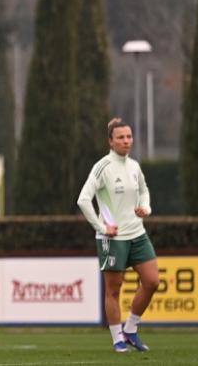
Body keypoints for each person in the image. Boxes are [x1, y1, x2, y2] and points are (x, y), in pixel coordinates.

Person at [78, 117, 160, 354]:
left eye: (129, 136)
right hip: (113, 239)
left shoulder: (134, 166)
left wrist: (146, 208)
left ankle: (131, 329)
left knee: (153, 282)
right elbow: (83, 200)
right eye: (121, 137)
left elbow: (144, 191)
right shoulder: (102, 167)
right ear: (111, 142)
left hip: (138, 234)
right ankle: (117, 339)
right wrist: (101, 228)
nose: (126, 141)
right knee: (114, 290)